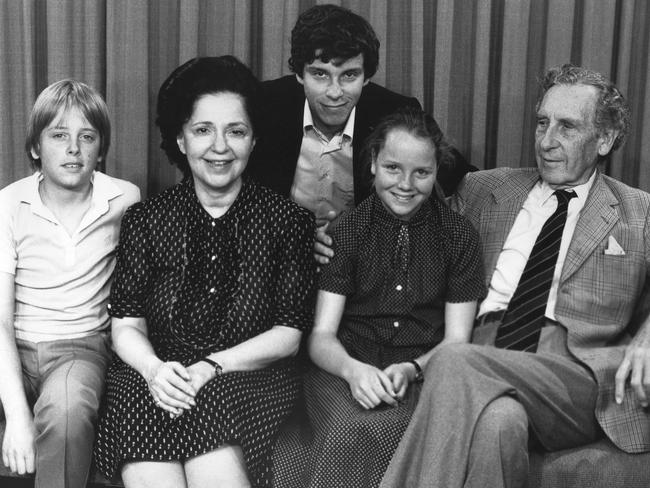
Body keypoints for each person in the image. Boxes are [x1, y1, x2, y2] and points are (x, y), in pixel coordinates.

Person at [380, 64, 650, 488]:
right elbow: (410, 226)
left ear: (605, 139)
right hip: (485, 349)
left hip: (573, 372)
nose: (546, 141)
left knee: (453, 359)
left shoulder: (639, 212)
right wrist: (333, 237)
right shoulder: (485, 190)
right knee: (499, 423)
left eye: (567, 127)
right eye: (542, 122)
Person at [92, 56, 316, 488]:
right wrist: (156, 371)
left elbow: (288, 336)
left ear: (253, 140)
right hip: (153, 376)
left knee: (211, 417)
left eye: (235, 131)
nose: (219, 146)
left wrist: (211, 366)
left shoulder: (288, 221)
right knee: (145, 417)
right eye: (202, 130)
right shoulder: (146, 219)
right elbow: (126, 324)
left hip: (244, 378)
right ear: (180, 138)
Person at [273, 107, 485, 488]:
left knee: (395, 427)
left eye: (422, 172)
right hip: (344, 368)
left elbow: (457, 341)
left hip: (424, 372)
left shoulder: (458, 236)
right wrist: (354, 372)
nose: (406, 184)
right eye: (392, 168)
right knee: (347, 425)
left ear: (437, 171)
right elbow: (322, 336)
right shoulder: (348, 231)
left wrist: (412, 369)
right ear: (372, 163)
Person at [245, 4, 474, 263]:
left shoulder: (393, 112)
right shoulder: (263, 106)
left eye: (349, 75)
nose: (334, 92)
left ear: (366, 78)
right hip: (275, 258)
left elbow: (459, 174)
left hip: (365, 265)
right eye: (320, 74)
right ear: (300, 74)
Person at [0, 80, 140, 488]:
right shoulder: (8, 204)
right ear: (35, 147)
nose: (73, 149)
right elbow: (1, 320)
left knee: (66, 410)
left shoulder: (125, 199)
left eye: (87, 137)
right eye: (59, 135)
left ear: (101, 149)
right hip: (13, 341)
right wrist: (19, 417)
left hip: (79, 346)